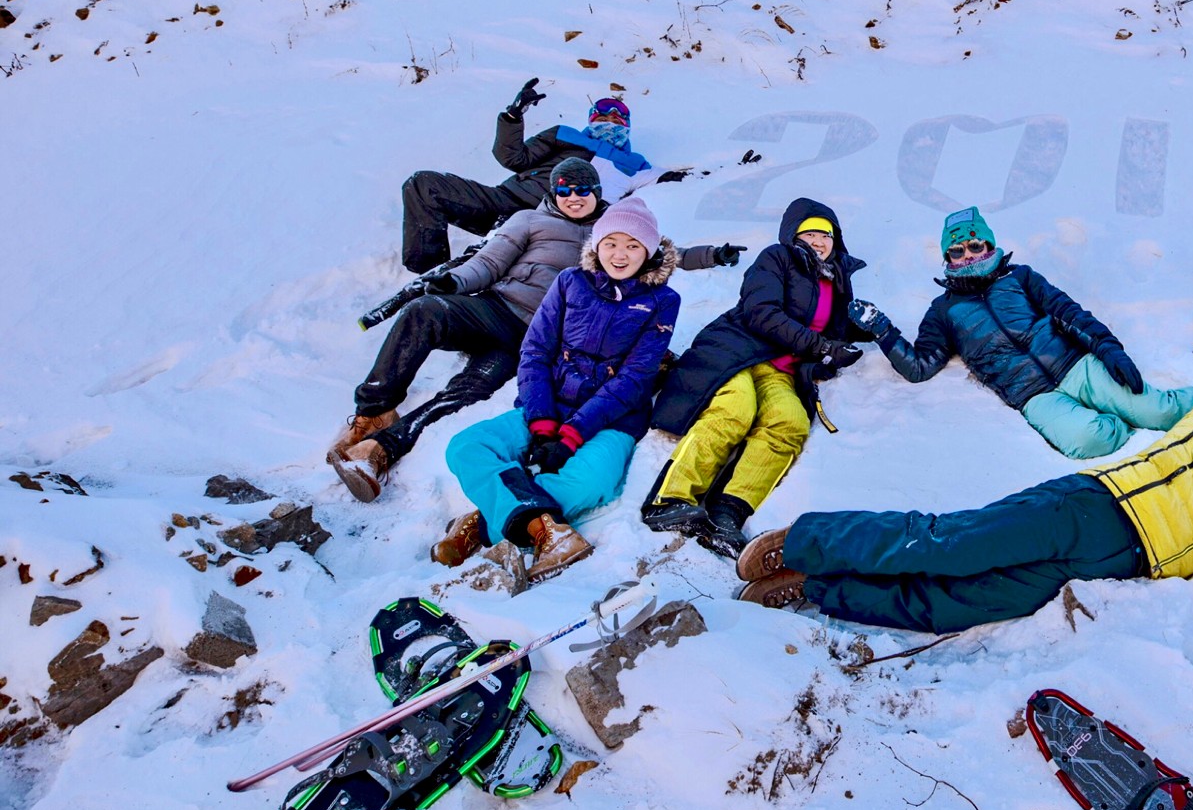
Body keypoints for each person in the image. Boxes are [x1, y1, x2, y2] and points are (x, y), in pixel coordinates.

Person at [731, 355, 1193, 632]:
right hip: (1096, 505)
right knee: (950, 544)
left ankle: (816, 589)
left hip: (1129, 566)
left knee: (961, 603)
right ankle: (803, 541)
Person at [330, 160, 738, 500]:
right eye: (564, 190)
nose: (573, 197)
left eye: (583, 190)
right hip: (496, 310)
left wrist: (714, 254)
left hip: (530, 337)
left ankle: (383, 449)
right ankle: (372, 411)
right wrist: (453, 284)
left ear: (597, 192)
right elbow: (489, 263)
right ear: (553, 193)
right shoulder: (530, 221)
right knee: (426, 311)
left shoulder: (620, 231)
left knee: (469, 391)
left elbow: (666, 254)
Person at [435, 197, 682, 583]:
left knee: (591, 483)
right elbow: (534, 352)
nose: (620, 254)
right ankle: (544, 529)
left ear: (648, 252)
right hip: (548, 404)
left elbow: (634, 378)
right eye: (612, 243)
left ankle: (484, 524)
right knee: (467, 446)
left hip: (613, 420)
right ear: (597, 245)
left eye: (633, 246)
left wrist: (571, 437)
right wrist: (544, 424)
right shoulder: (569, 282)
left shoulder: (663, 301)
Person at [848, 206, 1193, 459]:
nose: (969, 255)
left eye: (975, 245)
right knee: (1088, 440)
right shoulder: (943, 311)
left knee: (1159, 411)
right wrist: (883, 331)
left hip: (1076, 366)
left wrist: (1108, 349)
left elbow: (1068, 313)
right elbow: (920, 366)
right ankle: (1123, 423)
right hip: (1033, 395)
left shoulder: (1020, 277)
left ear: (989, 245)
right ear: (948, 258)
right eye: (958, 250)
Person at [642, 198, 871, 553]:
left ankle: (727, 512)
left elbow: (830, 327)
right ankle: (668, 500)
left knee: (790, 422)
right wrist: (821, 347)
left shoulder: (837, 279)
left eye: (825, 234)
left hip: (779, 369)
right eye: (808, 232)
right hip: (735, 351)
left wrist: (862, 329)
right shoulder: (776, 259)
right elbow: (761, 312)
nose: (818, 240)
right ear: (792, 236)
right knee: (736, 410)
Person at [400, 82, 690, 273]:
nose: (609, 124)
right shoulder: (563, 135)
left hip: (552, 223)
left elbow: (671, 181)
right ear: (591, 120)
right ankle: (428, 271)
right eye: (602, 118)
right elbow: (513, 158)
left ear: (626, 127)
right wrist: (513, 118)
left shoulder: (634, 164)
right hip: (507, 200)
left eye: (616, 120)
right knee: (424, 185)